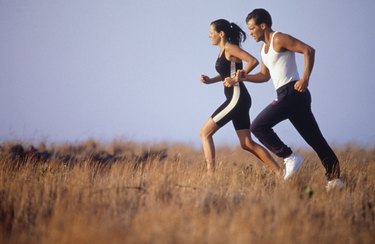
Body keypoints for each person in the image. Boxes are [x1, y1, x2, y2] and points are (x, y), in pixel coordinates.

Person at [231, 9, 344, 190]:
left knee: (258, 126)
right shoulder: (264, 49)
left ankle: (290, 157)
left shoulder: (279, 38)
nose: (250, 33)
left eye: (252, 28)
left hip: (294, 92)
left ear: (263, 25)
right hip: (287, 95)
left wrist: (305, 79)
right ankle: (335, 180)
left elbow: (308, 50)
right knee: (315, 139)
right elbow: (264, 76)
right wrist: (245, 77)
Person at [199, 19, 282, 177]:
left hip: (236, 99)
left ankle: (210, 176)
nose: (209, 36)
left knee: (204, 132)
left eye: (211, 32)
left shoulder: (230, 48)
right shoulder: (223, 50)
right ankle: (279, 173)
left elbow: (253, 61)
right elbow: (227, 74)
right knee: (246, 143)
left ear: (221, 34)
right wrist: (210, 80)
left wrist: (238, 78)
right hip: (239, 99)